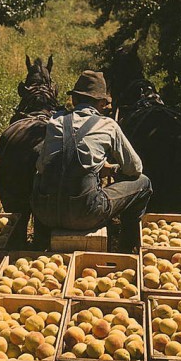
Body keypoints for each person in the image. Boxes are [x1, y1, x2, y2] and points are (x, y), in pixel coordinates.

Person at [30, 70, 152, 251]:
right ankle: (127, 248)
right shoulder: (108, 125)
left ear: (74, 100)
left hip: (45, 213)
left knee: (38, 179)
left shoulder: (55, 121)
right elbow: (135, 168)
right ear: (102, 103)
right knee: (143, 183)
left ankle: (39, 242)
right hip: (85, 215)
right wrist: (112, 169)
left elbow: (41, 166)